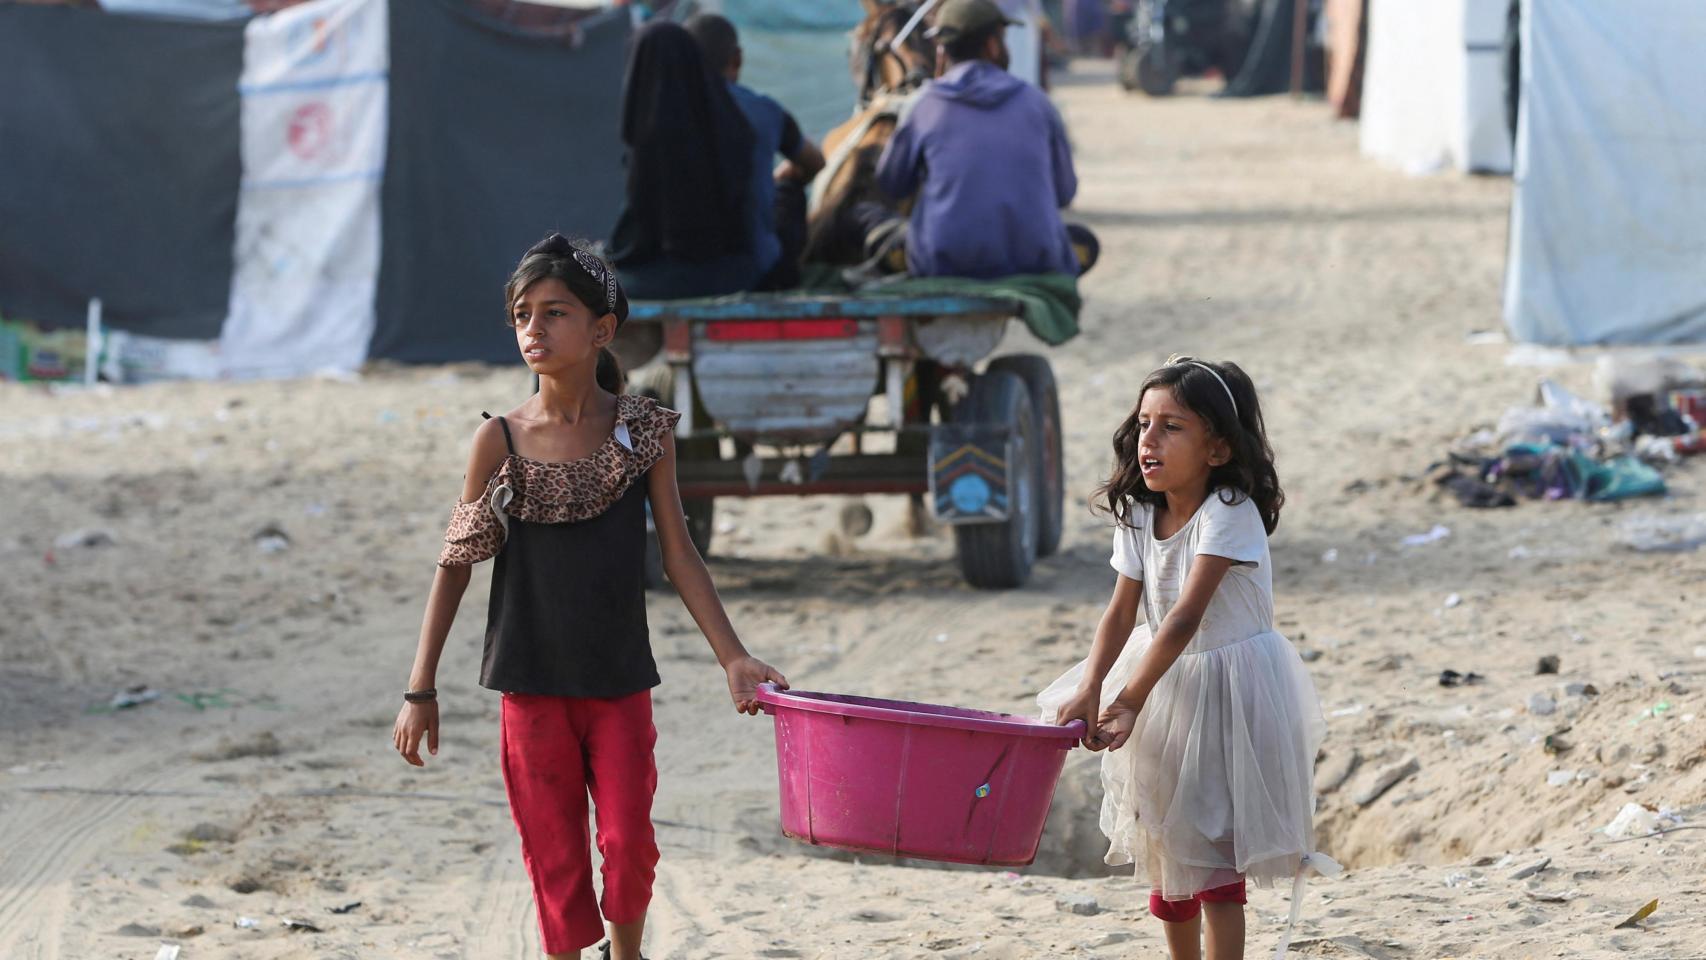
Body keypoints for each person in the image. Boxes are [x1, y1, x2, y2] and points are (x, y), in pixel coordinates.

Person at [392, 234, 788, 960]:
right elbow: (455, 564)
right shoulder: (498, 439)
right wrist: (421, 688)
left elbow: (679, 553)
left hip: (617, 680)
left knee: (629, 840)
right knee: (555, 855)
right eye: (521, 315)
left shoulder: (642, 434)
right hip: (529, 682)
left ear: (601, 329)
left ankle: (626, 952)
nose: (533, 331)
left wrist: (733, 656)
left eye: (555, 313)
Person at [1037, 357, 1332, 960]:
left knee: (1217, 857)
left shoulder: (1229, 511)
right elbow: (1123, 613)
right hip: (1164, 685)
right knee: (1167, 847)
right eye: (1144, 423)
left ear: (1218, 449)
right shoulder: (1140, 511)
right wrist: (1092, 685)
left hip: (1231, 689)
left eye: (1172, 427)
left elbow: (1184, 617)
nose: (1149, 441)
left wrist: (1125, 701)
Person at [870, 0, 1086, 280]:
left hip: (944, 262)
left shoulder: (923, 106)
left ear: (941, 52)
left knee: (874, 223)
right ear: (993, 45)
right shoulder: (1038, 104)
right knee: (1081, 240)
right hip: (1032, 260)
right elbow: (1065, 192)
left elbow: (891, 185)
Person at [607, 21, 760, 300]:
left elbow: (634, 239)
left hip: (671, 277)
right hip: (732, 273)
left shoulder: (650, 143)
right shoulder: (733, 126)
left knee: (595, 284)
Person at [684, 12, 826, 291]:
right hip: (760, 270)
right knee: (789, 186)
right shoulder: (765, 110)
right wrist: (783, 177)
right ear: (737, 59)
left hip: (682, 268)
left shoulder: (660, 115)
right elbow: (815, 162)